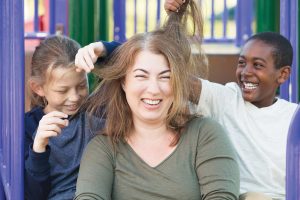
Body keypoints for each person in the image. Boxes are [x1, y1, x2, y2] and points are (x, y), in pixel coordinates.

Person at [75, 2, 298, 200]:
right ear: (125, 82)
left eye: (258, 65)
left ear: (283, 74)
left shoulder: (291, 117)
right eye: (242, 63)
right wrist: (105, 49)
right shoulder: (226, 99)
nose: (247, 72)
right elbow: (152, 60)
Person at [24, 35, 106, 200]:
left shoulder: (95, 110)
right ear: (38, 88)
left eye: (82, 85)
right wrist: (38, 148)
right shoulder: (27, 127)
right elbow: (32, 194)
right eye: (62, 91)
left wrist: (102, 49)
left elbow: (131, 60)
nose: (74, 97)